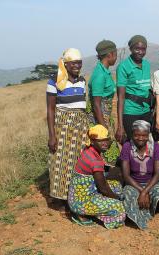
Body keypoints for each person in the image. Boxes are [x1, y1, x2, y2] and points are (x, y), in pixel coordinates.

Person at [46, 48, 89, 201]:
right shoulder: (54, 82)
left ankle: (74, 196)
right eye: (73, 63)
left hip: (80, 128)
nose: (77, 66)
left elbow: (82, 105)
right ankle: (60, 197)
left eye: (79, 63)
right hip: (62, 127)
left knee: (77, 162)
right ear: (65, 64)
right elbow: (50, 110)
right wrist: (52, 136)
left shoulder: (82, 81)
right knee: (60, 163)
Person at [68, 125, 126, 229]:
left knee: (116, 186)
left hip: (78, 196)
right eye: (100, 141)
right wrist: (117, 199)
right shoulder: (95, 161)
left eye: (106, 140)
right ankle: (83, 215)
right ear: (92, 141)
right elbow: (103, 189)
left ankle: (96, 209)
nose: (105, 144)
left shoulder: (88, 150)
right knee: (119, 208)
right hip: (81, 202)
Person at [120, 120, 159, 229]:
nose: (140, 138)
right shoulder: (127, 146)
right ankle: (136, 218)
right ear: (132, 134)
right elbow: (126, 175)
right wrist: (141, 191)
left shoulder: (155, 146)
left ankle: (150, 210)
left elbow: (158, 173)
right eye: (137, 135)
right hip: (133, 183)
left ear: (148, 135)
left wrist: (145, 191)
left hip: (151, 183)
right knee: (128, 194)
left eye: (144, 135)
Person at [87, 40, 119, 166]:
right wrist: (103, 127)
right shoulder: (100, 74)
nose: (116, 57)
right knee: (106, 147)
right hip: (99, 118)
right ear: (110, 54)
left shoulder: (104, 71)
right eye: (115, 54)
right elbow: (96, 104)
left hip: (105, 116)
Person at [116, 35, 152, 142]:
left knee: (146, 143)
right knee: (133, 144)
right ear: (131, 49)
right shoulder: (124, 67)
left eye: (143, 49)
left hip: (146, 111)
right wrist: (120, 125)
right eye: (137, 49)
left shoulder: (147, 64)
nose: (140, 52)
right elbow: (121, 97)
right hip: (130, 113)